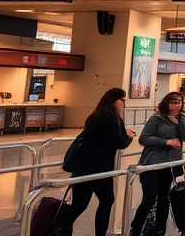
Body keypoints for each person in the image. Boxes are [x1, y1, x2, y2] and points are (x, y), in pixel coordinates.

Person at [55, 88, 135, 236]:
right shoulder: (107, 117)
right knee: (92, 203)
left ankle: (63, 229)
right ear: (114, 100)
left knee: (90, 203)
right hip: (94, 168)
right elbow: (119, 142)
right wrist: (129, 135)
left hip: (92, 167)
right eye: (122, 100)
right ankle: (61, 229)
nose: (124, 104)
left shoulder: (104, 116)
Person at [131, 92, 185, 236]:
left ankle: (160, 229)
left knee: (164, 198)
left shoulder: (180, 119)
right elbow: (144, 139)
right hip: (152, 163)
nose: (176, 105)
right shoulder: (157, 118)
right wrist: (166, 142)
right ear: (166, 103)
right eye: (173, 102)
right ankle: (136, 228)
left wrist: (182, 120)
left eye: (179, 102)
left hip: (169, 165)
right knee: (149, 198)